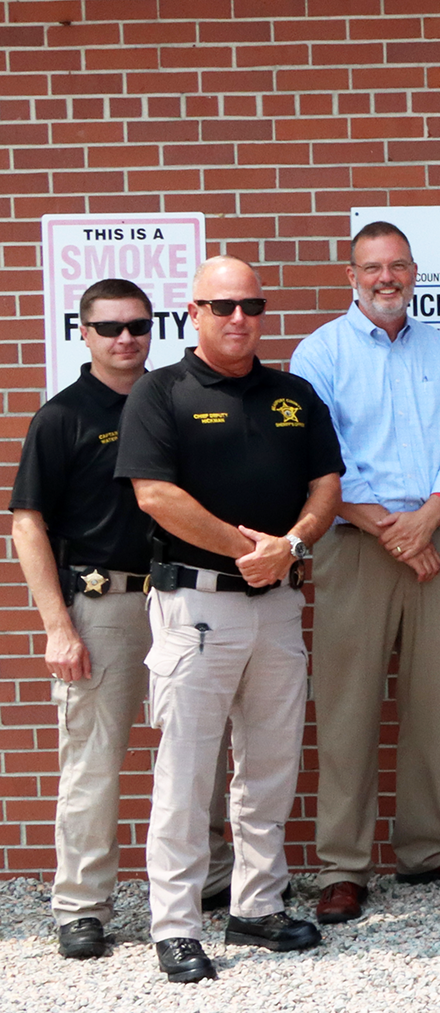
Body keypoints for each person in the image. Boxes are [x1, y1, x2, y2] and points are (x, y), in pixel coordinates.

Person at [117, 256, 343, 983]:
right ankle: (177, 925)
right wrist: (249, 551)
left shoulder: (293, 394)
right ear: (194, 313)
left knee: (270, 768)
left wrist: (291, 546)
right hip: (196, 607)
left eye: (251, 305)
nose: (239, 318)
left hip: (277, 605)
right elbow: (155, 495)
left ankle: (257, 906)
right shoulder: (161, 392)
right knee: (187, 774)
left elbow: (327, 484)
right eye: (222, 306)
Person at [290, 220, 440, 925]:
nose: (387, 278)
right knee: (346, 707)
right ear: (351, 276)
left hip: (433, 538)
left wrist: (428, 518)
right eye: (373, 267)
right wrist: (394, 531)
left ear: (414, 273)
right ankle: (343, 865)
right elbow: (321, 460)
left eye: (399, 266)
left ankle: (425, 846)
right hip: (356, 545)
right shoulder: (320, 353)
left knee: (433, 700)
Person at [12, 279, 230, 959]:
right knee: (94, 761)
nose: (125, 338)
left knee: (200, 747)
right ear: (83, 333)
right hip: (105, 605)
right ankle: (82, 906)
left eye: (137, 325)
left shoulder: (177, 401)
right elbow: (27, 524)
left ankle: (211, 880)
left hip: (187, 599)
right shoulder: (63, 416)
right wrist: (57, 625)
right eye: (109, 327)